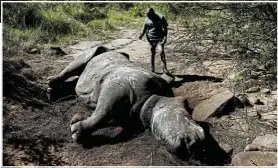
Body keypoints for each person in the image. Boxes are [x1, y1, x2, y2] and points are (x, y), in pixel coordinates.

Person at [139, 8, 169, 73]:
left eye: (150, 16)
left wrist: (165, 37)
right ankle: (152, 69)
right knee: (152, 53)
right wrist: (141, 35)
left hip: (160, 38)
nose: (149, 17)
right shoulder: (146, 20)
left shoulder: (161, 18)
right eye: (147, 16)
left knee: (161, 52)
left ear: (153, 13)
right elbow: (144, 29)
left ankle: (165, 68)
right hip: (151, 39)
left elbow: (165, 28)